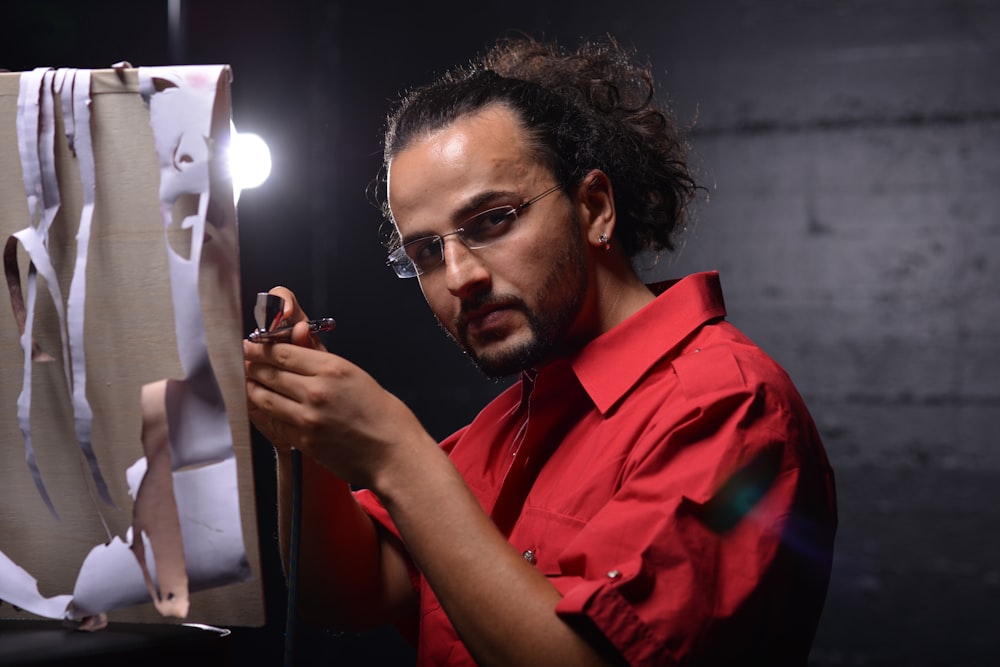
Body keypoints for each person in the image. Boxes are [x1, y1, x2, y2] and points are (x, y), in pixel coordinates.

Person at [243, 34, 837, 666]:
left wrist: (397, 455)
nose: (459, 276)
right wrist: (298, 433)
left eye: (494, 220)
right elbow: (351, 595)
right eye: (424, 253)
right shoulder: (515, 419)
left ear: (595, 208)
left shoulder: (727, 405)